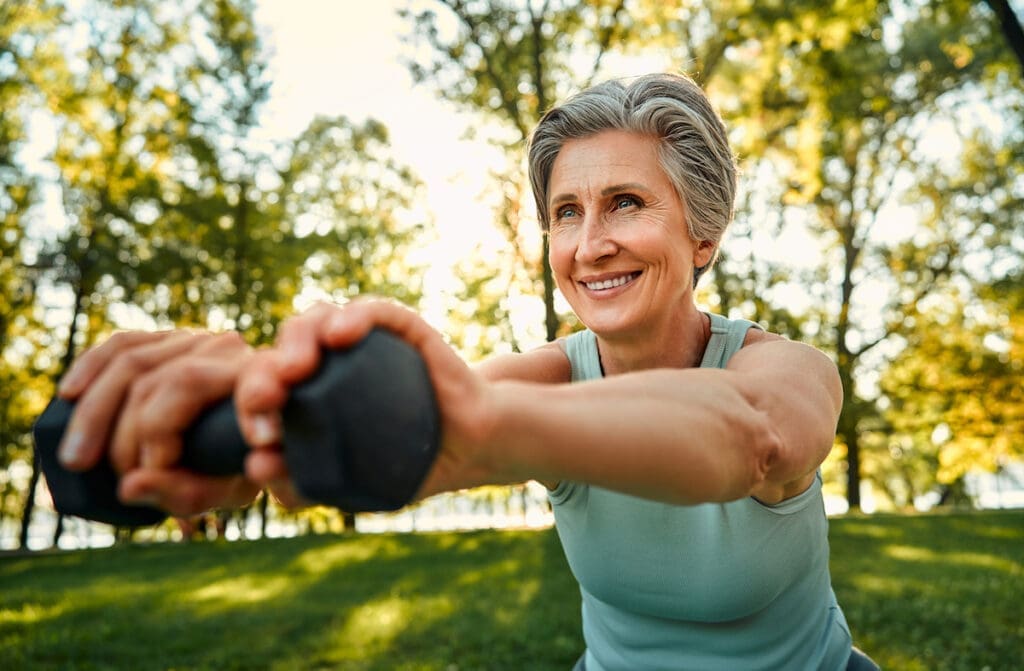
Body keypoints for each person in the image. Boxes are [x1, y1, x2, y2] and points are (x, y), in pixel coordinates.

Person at [55, 73, 878, 670]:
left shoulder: (787, 370)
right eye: (567, 212)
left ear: (703, 236)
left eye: (626, 202)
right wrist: (262, 419)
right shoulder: (550, 377)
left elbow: (751, 436)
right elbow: (430, 426)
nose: (590, 245)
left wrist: (483, 428)